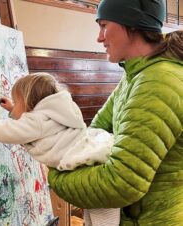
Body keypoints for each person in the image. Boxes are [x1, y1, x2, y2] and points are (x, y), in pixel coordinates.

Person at [47, 0, 183, 225]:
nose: (99, 38)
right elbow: (92, 134)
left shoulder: (157, 82)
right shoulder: (135, 75)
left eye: (104, 25)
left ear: (131, 24)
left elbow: (121, 183)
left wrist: (55, 175)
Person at [0, 72, 120, 225]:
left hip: (88, 166)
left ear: (29, 102)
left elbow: (7, 131)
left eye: (17, 102)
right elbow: (28, 125)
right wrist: (12, 109)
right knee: (96, 210)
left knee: (102, 211)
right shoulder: (55, 112)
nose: (15, 105)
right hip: (91, 156)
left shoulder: (37, 122)